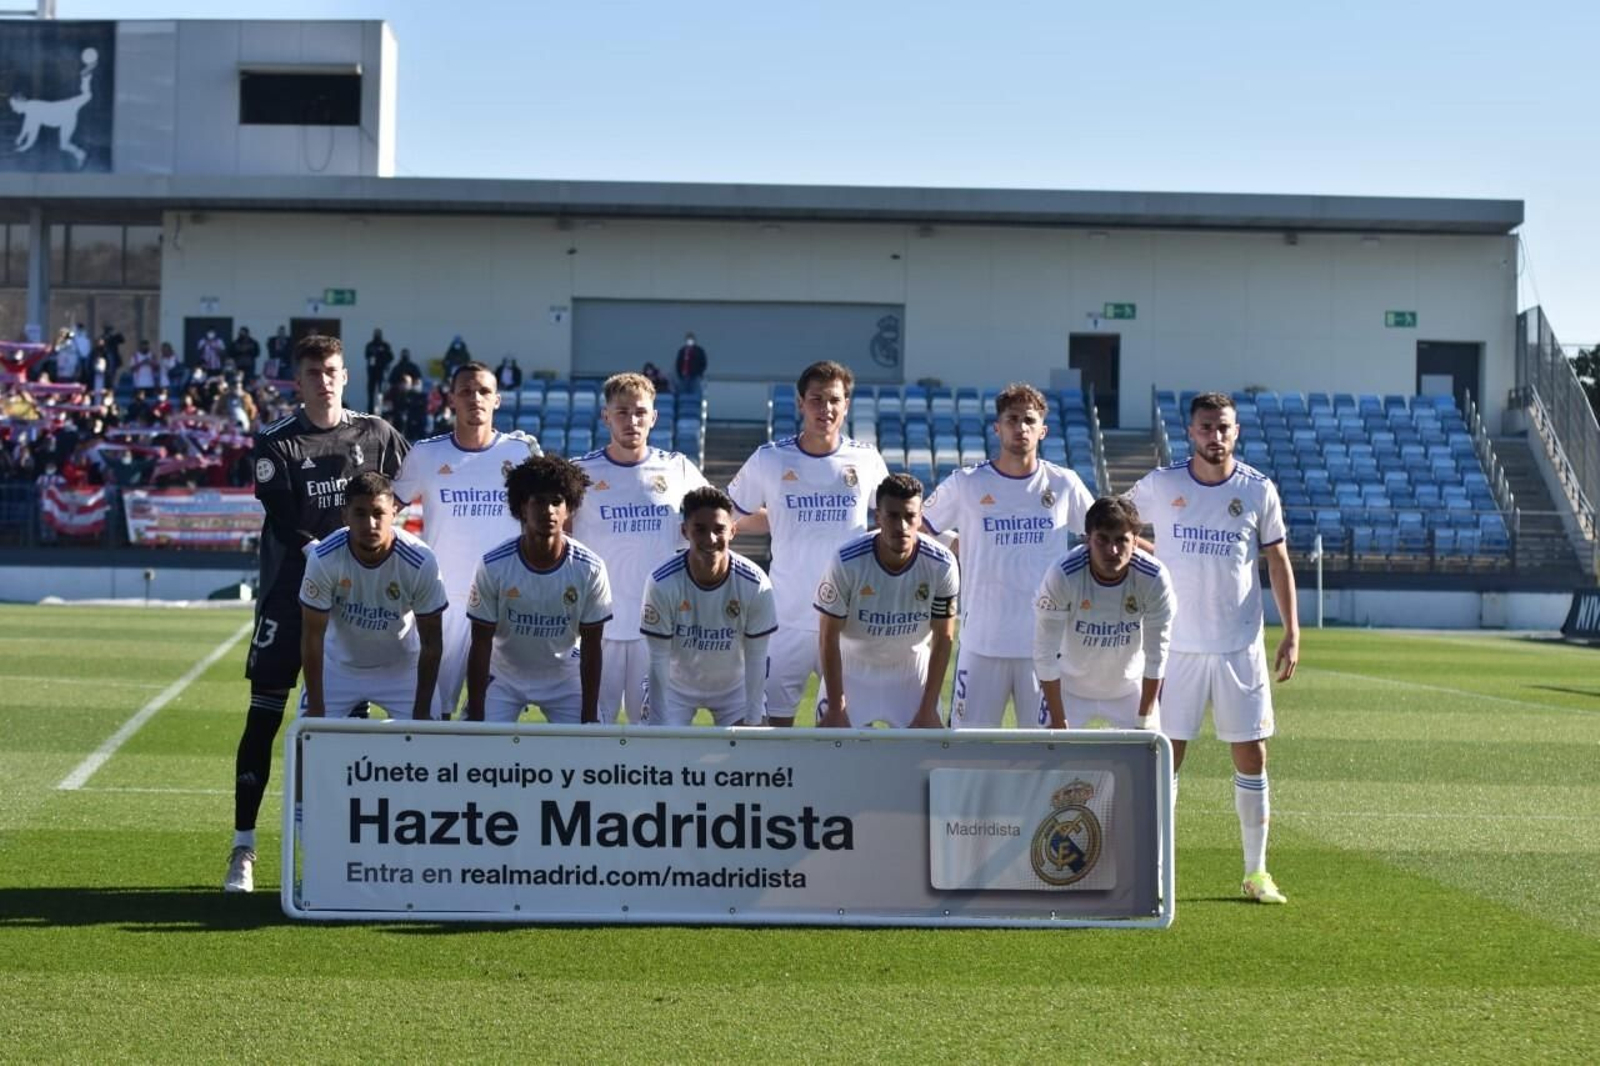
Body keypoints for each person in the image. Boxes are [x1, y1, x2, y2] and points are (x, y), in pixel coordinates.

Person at [224, 335, 410, 894]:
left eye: (331, 370)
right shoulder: (276, 442)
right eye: (312, 372)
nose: (323, 380)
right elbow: (284, 522)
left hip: (362, 602)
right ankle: (243, 847)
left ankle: (347, 847)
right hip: (289, 592)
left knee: (344, 722)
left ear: (345, 376)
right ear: (297, 381)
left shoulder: (376, 433)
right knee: (264, 716)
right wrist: (329, 561)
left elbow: (410, 491)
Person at [1127, 391, 1299, 905]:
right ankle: (1155, 872)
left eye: (1223, 427)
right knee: (1166, 757)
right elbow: (1115, 524)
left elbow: (1277, 560)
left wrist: (1293, 630)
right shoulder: (1163, 484)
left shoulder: (1257, 490)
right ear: (1191, 432)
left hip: (1237, 648)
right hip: (1175, 648)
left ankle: (1256, 871)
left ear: (1236, 431)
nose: (1215, 436)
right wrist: (1159, 554)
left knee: (1252, 755)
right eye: (1206, 427)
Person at [728, 360, 889, 726]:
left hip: (849, 620)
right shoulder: (770, 458)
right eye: (816, 399)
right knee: (771, 725)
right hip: (786, 617)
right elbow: (729, 516)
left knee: (843, 725)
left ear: (846, 405)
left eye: (834, 400)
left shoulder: (865, 459)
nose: (825, 409)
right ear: (800, 403)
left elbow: (892, 520)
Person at [922, 382, 1093, 728]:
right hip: (983, 641)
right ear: (997, 427)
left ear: (1043, 430)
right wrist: (958, 545)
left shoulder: (1064, 483)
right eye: (1012, 419)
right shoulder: (967, 483)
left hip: (1044, 644)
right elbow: (923, 528)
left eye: (1030, 420)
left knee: (1046, 749)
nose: (1021, 428)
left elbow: (1097, 536)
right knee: (968, 748)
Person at [392, 361, 542, 718]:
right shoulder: (426, 454)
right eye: (466, 391)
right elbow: (384, 509)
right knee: (433, 711)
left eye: (484, 391)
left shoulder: (520, 453)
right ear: (451, 400)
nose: (475, 398)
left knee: (491, 713)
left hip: (506, 601)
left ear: (497, 400)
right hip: (444, 601)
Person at [573, 372, 708, 723]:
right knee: (590, 727)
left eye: (639, 412)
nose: (631, 421)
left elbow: (712, 524)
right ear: (606, 417)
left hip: (657, 628)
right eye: (621, 412)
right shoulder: (580, 473)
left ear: (653, 416)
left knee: (653, 731)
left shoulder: (678, 468)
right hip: (596, 626)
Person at [464, 455, 611, 724]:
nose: (549, 510)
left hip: (564, 676)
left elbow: (592, 646)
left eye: (557, 502)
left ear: (570, 509)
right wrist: (475, 713)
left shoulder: (590, 568)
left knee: (590, 750)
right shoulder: (493, 565)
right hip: (505, 676)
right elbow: (480, 642)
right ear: (522, 507)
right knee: (478, 748)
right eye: (539, 501)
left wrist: (589, 715)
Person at [298, 472, 447, 721]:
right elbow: (312, 638)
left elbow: (432, 643)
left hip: (401, 670)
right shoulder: (324, 558)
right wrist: (316, 707)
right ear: (345, 515)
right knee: (308, 742)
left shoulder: (420, 560)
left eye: (378, 513)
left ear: (394, 513)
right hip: (338, 669)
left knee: (427, 743)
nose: (370, 524)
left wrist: (421, 710)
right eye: (360, 513)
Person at [815, 473, 957, 729]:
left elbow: (943, 637)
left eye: (909, 516)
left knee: (921, 759)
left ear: (920, 517)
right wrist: (836, 707)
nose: (902, 526)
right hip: (853, 668)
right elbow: (828, 635)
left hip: (911, 669)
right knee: (835, 755)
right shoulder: (847, 562)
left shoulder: (941, 564)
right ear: (878, 517)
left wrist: (928, 708)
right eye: (892, 516)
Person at [1033, 495, 1175, 731]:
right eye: (1103, 540)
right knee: (1047, 759)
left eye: (1122, 540)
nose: (1113, 549)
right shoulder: (1063, 575)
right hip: (1070, 688)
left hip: (1129, 688)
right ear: (1088, 539)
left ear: (1136, 542)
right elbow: (1044, 653)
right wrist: (1058, 721)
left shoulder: (1154, 578)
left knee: (1148, 760)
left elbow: (1156, 655)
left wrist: (1144, 718)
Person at [639, 487, 776, 726]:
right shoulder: (662, 582)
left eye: (719, 529)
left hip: (735, 688)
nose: (710, 539)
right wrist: (658, 729)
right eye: (700, 530)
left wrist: (753, 724)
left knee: (751, 755)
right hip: (675, 687)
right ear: (685, 531)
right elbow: (657, 658)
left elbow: (757, 657)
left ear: (733, 531)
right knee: (657, 753)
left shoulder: (755, 583)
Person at [364, 329, 394, 412]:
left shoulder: (385, 345)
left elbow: (391, 357)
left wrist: (382, 353)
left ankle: (380, 409)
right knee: (371, 392)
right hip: (372, 372)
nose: (377, 335)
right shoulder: (370, 345)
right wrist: (373, 353)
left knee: (381, 392)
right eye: (375, 334)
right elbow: (366, 355)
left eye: (378, 334)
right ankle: (370, 411)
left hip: (381, 371)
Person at [673, 332, 707, 396]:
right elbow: (678, 363)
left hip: (695, 376)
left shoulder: (699, 351)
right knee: (683, 393)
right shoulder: (682, 351)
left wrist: (700, 373)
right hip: (684, 376)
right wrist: (680, 374)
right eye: (688, 340)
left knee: (695, 392)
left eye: (691, 340)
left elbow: (703, 363)